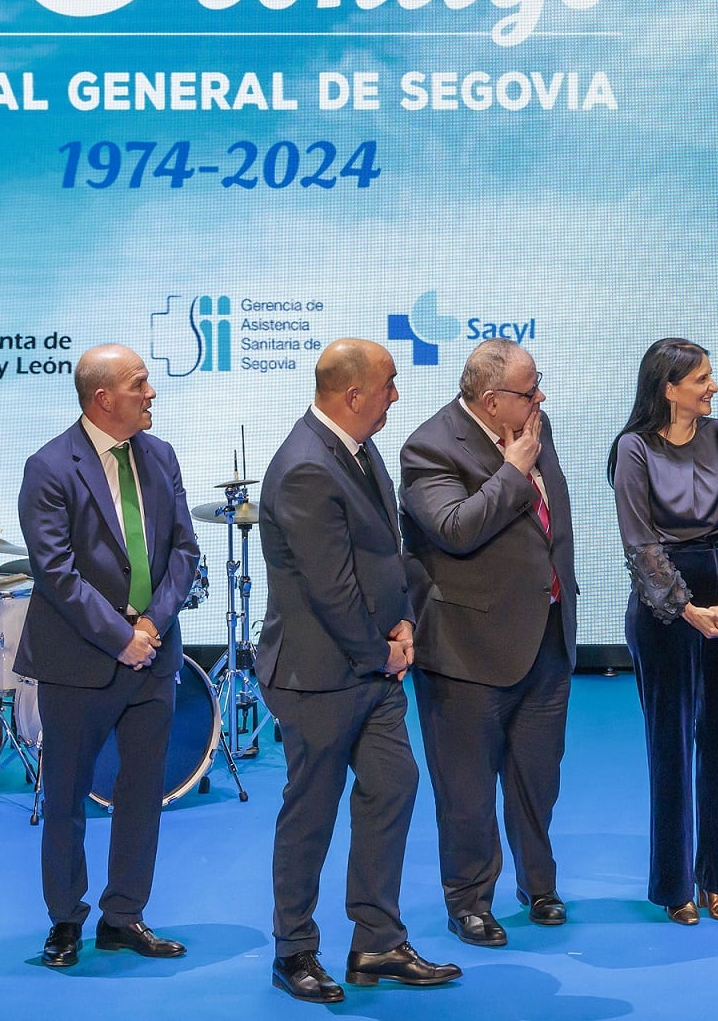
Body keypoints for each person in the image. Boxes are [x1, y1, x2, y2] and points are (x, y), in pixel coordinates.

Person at [257, 339, 461, 1000]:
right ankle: (294, 952)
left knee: (394, 783)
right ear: (352, 395)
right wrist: (385, 651)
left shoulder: (357, 447)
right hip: (317, 675)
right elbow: (331, 588)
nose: (396, 396)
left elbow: (382, 553)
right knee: (310, 813)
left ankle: (375, 942)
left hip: (371, 668)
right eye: (389, 385)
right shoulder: (305, 468)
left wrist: (403, 619)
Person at [14, 344, 202, 970]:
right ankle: (65, 920)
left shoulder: (162, 455)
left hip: (155, 656)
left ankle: (124, 916)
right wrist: (120, 636)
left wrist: (153, 624)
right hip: (80, 662)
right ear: (103, 399)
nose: (152, 392)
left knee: (143, 791)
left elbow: (184, 551)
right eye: (140, 383)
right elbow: (55, 572)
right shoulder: (48, 466)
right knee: (66, 796)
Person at [399, 339, 580, 947]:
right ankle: (469, 900)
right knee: (467, 789)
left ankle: (538, 882)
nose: (541, 399)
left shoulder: (533, 424)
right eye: (531, 391)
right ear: (491, 399)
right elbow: (454, 529)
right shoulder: (428, 447)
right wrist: (514, 469)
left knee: (538, 777)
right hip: (467, 650)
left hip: (546, 637)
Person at [610, 338, 718, 924]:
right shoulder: (632, 449)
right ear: (668, 388)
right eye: (700, 378)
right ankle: (675, 885)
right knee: (669, 742)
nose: (712, 387)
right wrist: (686, 608)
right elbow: (639, 539)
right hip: (665, 604)